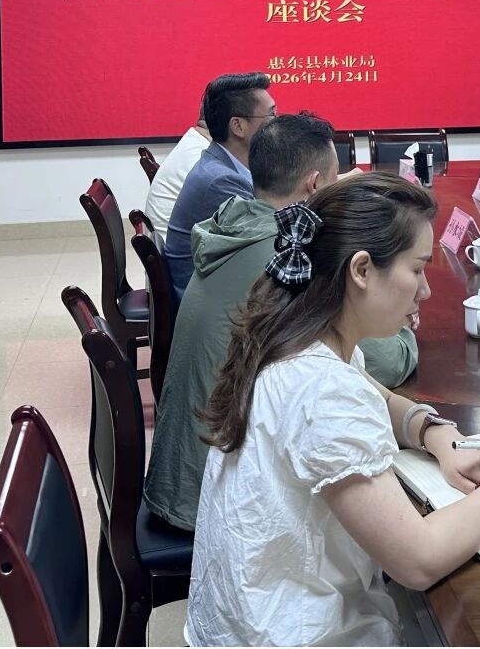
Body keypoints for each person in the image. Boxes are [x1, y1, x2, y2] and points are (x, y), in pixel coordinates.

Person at [185, 174, 480, 646]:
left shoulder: (298, 331)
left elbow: (383, 399)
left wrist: (436, 434)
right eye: (417, 270)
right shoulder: (323, 388)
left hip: (247, 621)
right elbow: (418, 560)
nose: (425, 291)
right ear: (361, 270)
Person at [145, 114, 421, 532]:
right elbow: (389, 362)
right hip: (209, 505)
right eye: (335, 182)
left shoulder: (237, 222)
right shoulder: (290, 258)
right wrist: (401, 313)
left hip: (185, 475)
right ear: (315, 185)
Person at [166, 72, 275, 300]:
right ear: (238, 126)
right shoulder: (222, 181)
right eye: (271, 115)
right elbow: (267, 245)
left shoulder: (225, 164)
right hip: (207, 300)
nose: (277, 124)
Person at [143, 110, 211, 242]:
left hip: (167, 240)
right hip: (176, 247)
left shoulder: (194, 141)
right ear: (236, 125)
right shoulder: (202, 159)